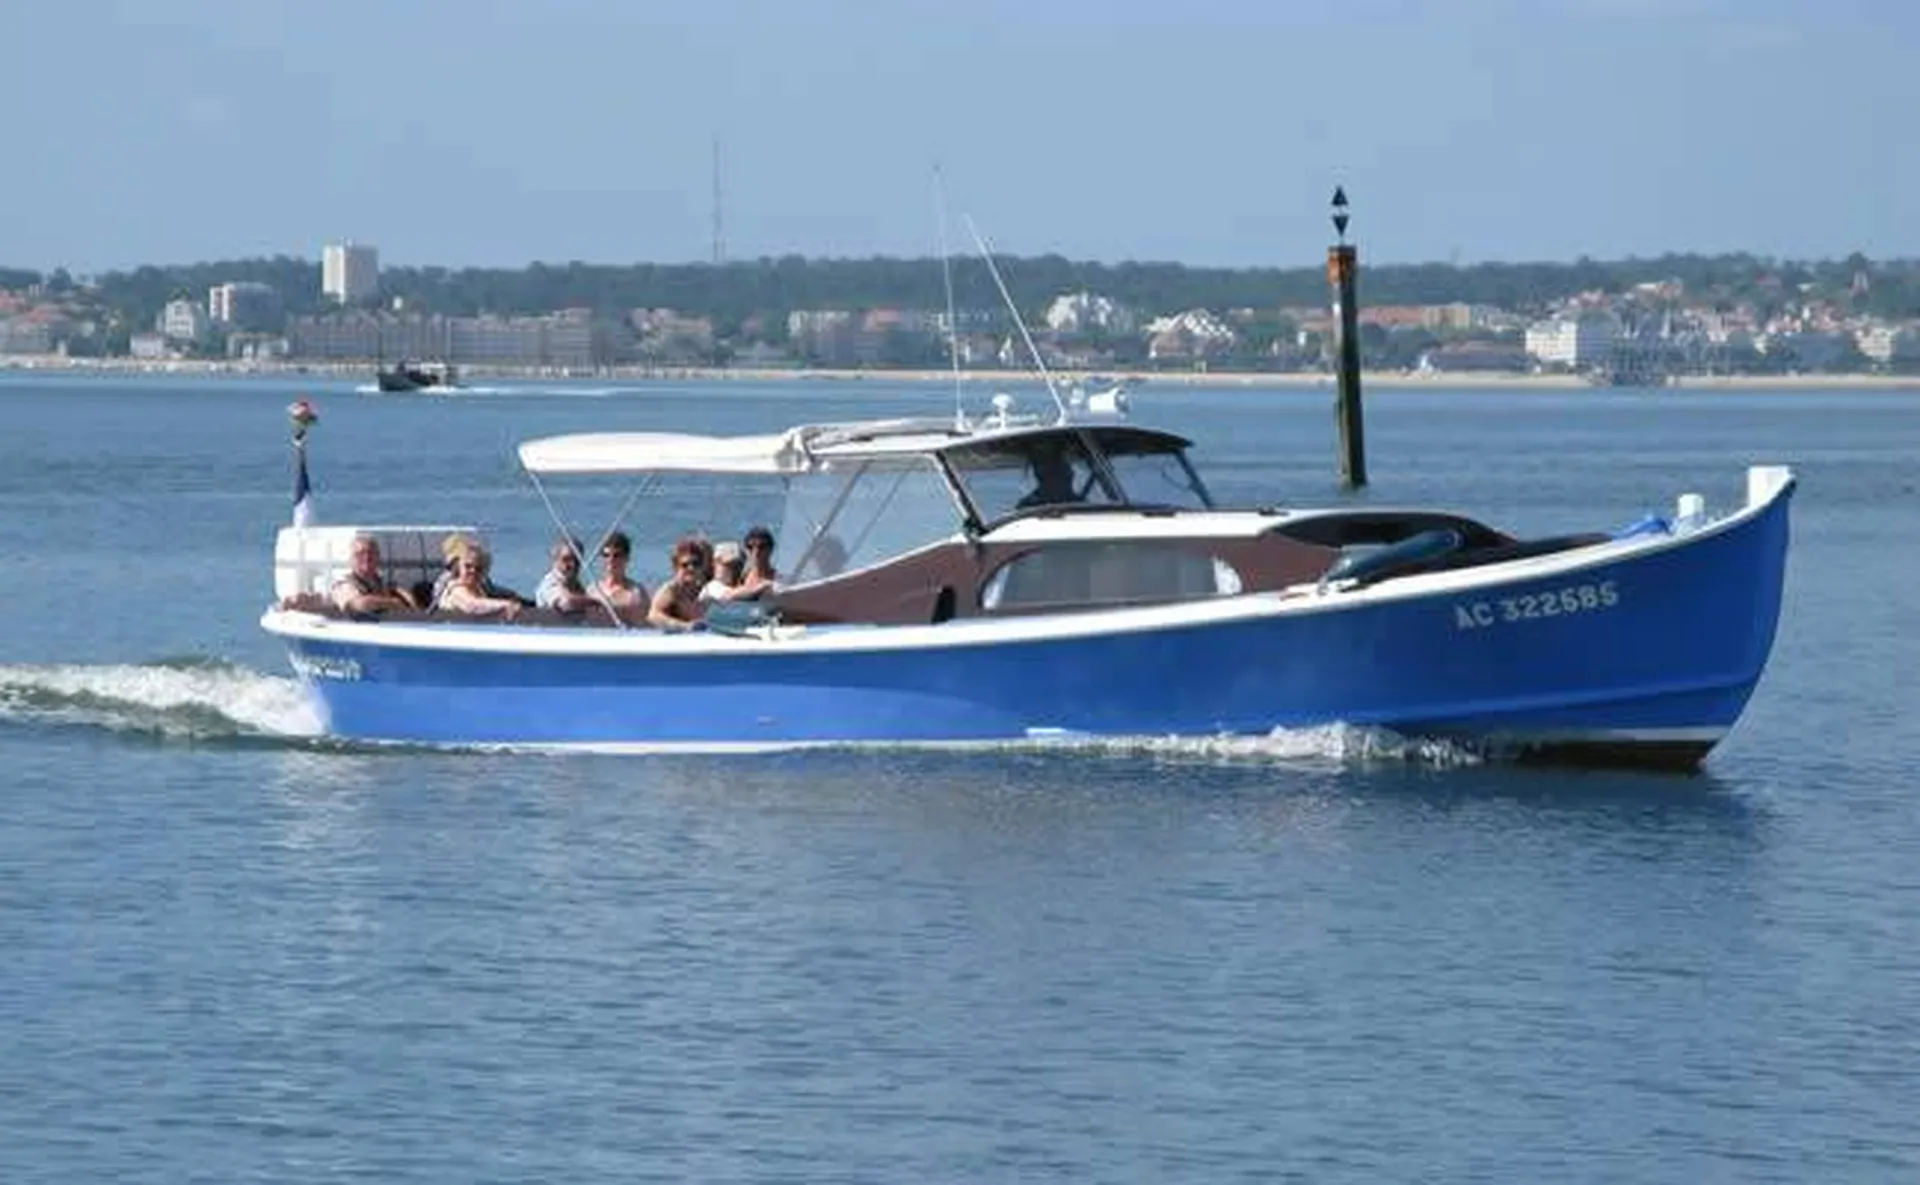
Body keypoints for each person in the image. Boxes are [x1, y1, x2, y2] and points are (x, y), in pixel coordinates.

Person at [330, 534, 419, 616]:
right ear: (351, 559)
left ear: (378, 557)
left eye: (371, 553)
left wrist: (409, 602)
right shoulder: (343, 585)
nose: (367, 557)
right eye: (360, 554)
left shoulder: (382, 583)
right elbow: (359, 604)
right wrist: (392, 603)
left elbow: (409, 602)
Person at [437, 543, 523, 620]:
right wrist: (505, 605)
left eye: (478, 568)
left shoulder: (479, 588)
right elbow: (472, 606)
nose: (473, 571)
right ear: (458, 567)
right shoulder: (456, 589)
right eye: (468, 566)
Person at [647, 536, 708, 632]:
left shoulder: (703, 590)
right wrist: (684, 626)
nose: (691, 568)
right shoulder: (671, 590)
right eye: (685, 565)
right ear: (676, 567)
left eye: (695, 564)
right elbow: (653, 616)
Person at [534, 535, 599, 616]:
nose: (572, 564)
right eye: (566, 559)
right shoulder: (550, 583)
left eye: (576, 560)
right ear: (555, 560)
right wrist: (596, 601)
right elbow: (566, 603)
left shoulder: (575, 584)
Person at [593, 530, 649, 624]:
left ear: (627, 558)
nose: (610, 560)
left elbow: (641, 629)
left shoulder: (636, 593)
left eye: (616, 555)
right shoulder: (593, 589)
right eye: (606, 555)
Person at [1016, 447, 1081, 509]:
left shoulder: (1080, 505)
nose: (1070, 478)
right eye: (1055, 474)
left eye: (1068, 473)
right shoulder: (1027, 506)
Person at [736, 524, 780, 599]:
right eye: (750, 547)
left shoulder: (778, 580)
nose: (756, 552)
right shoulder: (739, 580)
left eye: (761, 547)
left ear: (770, 549)